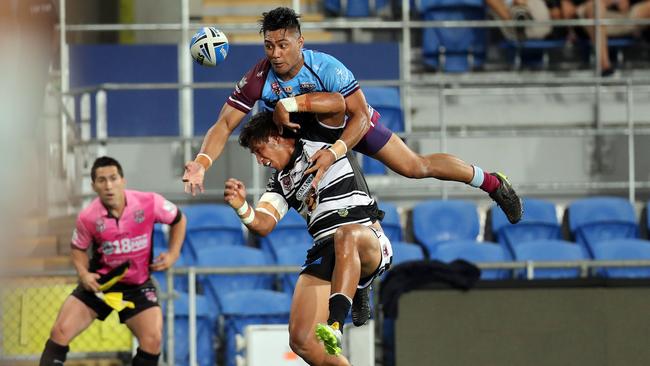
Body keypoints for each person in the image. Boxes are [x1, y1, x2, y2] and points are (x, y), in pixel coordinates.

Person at [182, 6, 523, 227]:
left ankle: (493, 182)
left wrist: (334, 150)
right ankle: (356, 278)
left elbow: (358, 116)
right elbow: (224, 124)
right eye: (269, 46)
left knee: (415, 167)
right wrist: (201, 162)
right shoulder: (258, 77)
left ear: (300, 42)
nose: (276, 53)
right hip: (306, 141)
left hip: (347, 128)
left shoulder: (327, 68)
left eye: (283, 45)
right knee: (316, 207)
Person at [224, 96, 392, 365]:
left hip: (365, 235)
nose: (259, 160)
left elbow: (338, 103)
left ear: (276, 138)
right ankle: (355, 287)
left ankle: (336, 322)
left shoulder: (319, 138)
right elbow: (263, 224)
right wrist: (242, 207)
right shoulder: (280, 182)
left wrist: (288, 105)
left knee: (345, 235)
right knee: (301, 340)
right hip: (325, 248)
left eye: (259, 150)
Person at [39, 156, 187, 366]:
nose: (109, 185)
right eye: (102, 180)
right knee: (59, 331)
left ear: (123, 180)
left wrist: (173, 254)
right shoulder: (87, 217)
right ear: (94, 186)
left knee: (152, 340)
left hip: (137, 286)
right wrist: (84, 274)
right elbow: (78, 248)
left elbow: (179, 220)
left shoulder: (150, 202)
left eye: (113, 178)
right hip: (101, 285)